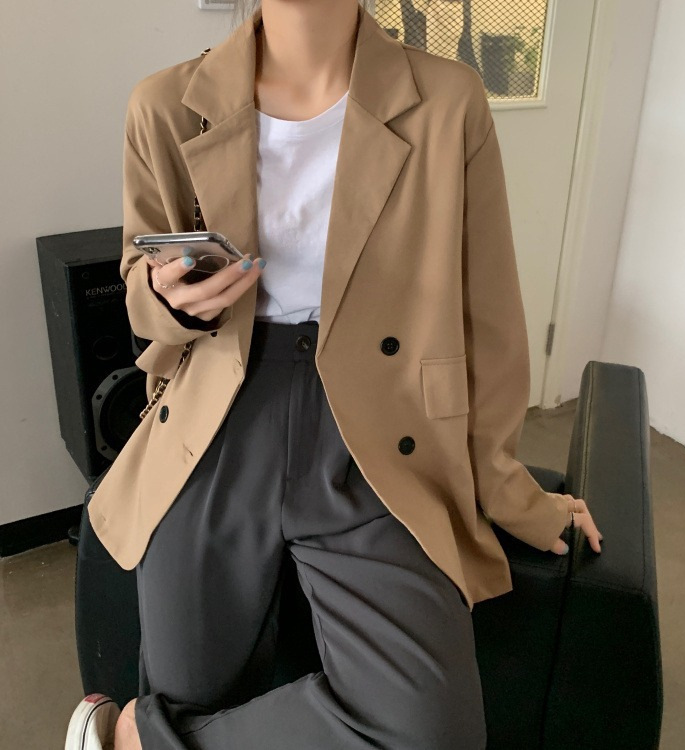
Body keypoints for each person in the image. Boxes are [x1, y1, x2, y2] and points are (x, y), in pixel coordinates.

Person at [67, 1, 603, 748]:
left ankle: (131, 740)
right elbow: (139, 283)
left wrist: (512, 492)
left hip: (387, 424)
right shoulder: (165, 104)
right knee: (191, 686)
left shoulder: (447, 101)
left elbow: (489, 316)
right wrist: (166, 299)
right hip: (215, 417)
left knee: (431, 731)